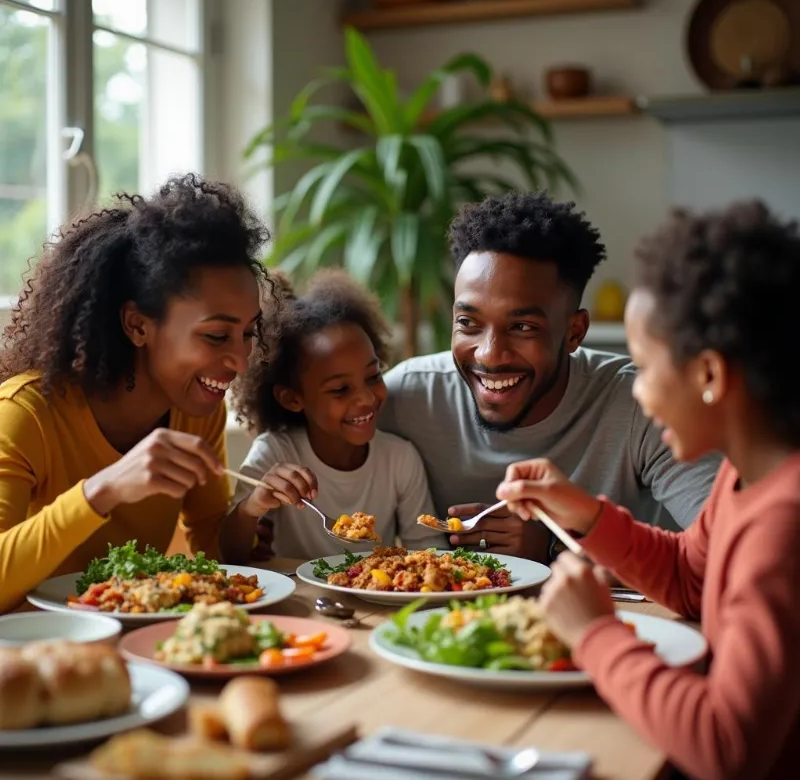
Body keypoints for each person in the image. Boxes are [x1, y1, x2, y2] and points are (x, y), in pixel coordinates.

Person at [496, 200, 800, 780]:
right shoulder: (747, 474)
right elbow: (691, 577)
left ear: (708, 375)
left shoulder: (784, 524)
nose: (638, 393)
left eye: (645, 366)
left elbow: (726, 748)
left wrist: (594, 634)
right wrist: (584, 514)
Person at [379, 192, 719, 561]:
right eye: (468, 323)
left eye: (522, 326)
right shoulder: (408, 395)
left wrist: (557, 544)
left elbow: (728, 546)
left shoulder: (639, 404)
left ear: (574, 332)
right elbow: (312, 435)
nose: (490, 354)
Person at [0, 173, 273, 613]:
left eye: (248, 333)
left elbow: (209, 548)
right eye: (218, 336)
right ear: (138, 325)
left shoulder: (197, 410)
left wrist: (249, 512)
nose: (241, 362)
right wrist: (103, 489)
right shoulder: (25, 414)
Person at [227, 269, 441, 562]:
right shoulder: (275, 454)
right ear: (292, 399)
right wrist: (254, 505)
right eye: (340, 389)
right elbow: (227, 554)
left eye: (373, 375)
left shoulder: (400, 459)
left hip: (377, 600)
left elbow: (430, 551)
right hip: (300, 601)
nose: (366, 398)